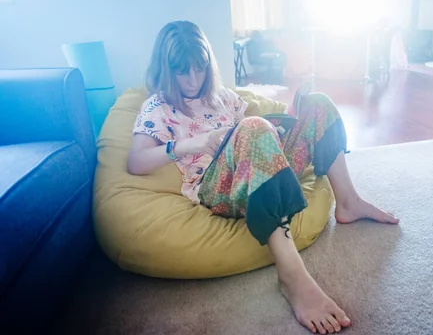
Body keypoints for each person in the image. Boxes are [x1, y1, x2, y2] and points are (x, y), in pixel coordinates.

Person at [127, 21, 399, 334]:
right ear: (165, 69)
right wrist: (194, 143)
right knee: (254, 128)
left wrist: (277, 127)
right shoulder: (157, 107)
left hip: (256, 170)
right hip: (216, 186)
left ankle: (348, 202)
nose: (192, 79)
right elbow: (137, 161)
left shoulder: (223, 97)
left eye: (199, 68)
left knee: (318, 104)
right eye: (182, 71)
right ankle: (292, 275)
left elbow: (250, 133)